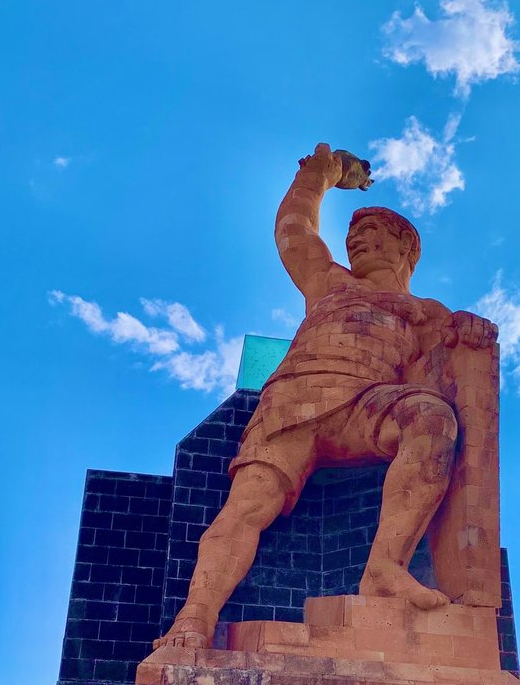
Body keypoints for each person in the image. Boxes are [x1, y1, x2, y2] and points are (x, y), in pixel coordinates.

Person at [158, 142, 497, 650]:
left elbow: (453, 354)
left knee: (431, 419)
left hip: (368, 403)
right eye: (353, 235)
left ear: (407, 248)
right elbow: (294, 227)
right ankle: (193, 620)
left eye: (372, 235)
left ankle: (385, 567)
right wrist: (320, 175)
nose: (357, 242)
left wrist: (469, 326)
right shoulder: (328, 279)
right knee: (246, 509)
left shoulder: (425, 311)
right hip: (294, 402)